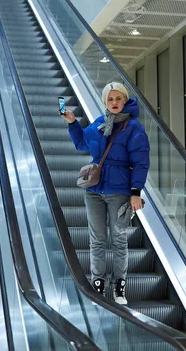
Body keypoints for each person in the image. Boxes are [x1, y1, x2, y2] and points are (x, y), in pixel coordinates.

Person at [61, 81, 150, 305]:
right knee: (97, 240)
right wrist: (73, 123)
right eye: (110, 99)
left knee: (119, 239)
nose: (114, 103)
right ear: (104, 102)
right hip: (93, 190)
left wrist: (135, 192)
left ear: (125, 99)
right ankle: (98, 283)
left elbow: (141, 162)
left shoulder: (133, 128)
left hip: (119, 190)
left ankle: (119, 286)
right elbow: (82, 144)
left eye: (118, 98)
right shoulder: (100, 123)